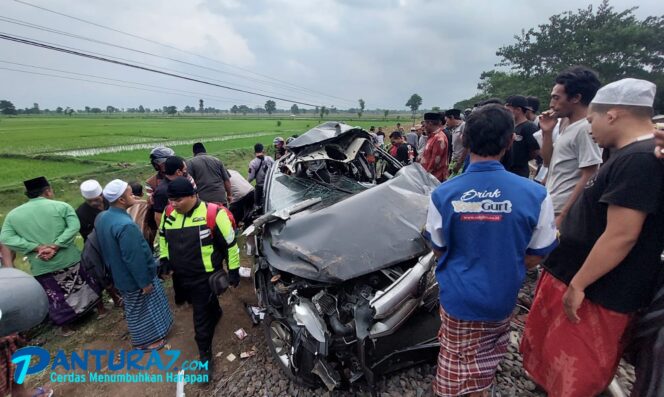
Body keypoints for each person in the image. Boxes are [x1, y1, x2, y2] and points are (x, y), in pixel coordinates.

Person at [521, 78, 664, 397]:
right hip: (576, 275)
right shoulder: (626, 154)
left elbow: (622, 234)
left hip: (598, 290)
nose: (590, 129)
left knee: (578, 374)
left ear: (612, 115)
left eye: (592, 120)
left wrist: (579, 284)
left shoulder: (639, 160)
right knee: (556, 365)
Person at [426, 104, 557, 397]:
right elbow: (538, 253)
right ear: (510, 141)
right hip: (502, 295)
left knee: (454, 363)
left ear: (466, 140)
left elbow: (438, 247)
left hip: (458, 297)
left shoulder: (443, 193)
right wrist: (503, 263)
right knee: (486, 354)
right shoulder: (536, 194)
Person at [159, 177, 241, 381]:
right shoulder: (169, 214)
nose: (173, 204)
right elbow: (162, 236)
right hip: (180, 275)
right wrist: (164, 257)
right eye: (171, 200)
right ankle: (216, 311)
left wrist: (233, 270)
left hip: (204, 277)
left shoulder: (214, 213)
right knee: (200, 305)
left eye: (178, 200)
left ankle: (205, 359)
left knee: (200, 320)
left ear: (192, 196)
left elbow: (231, 245)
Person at [0, 177, 104, 335]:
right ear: (47, 191)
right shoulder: (61, 206)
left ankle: (67, 327)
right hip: (69, 258)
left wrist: (36, 248)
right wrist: (56, 245)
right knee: (86, 285)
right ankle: (101, 310)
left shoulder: (13, 216)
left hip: (42, 265)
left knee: (56, 296)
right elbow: (74, 226)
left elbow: (6, 239)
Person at [96, 180, 173, 350]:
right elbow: (134, 257)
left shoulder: (103, 217)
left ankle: (149, 335)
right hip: (134, 276)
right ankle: (145, 341)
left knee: (137, 306)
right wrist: (144, 282)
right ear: (121, 200)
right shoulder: (126, 226)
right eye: (130, 194)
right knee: (141, 309)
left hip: (118, 272)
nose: (134, 197)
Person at [538, 67, 604, 227]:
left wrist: (564, 215)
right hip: (553, 204)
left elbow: (590, 173)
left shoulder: (585, 128)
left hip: (564, 210)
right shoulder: (564, 125)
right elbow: (547, 162)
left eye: (556, 98)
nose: (551, 104)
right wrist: (547, 133)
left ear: (576, 98)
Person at [152, 156, 196, 227]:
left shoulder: (184, 183)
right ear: (178, 172)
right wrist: (166, 233)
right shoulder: (162, 191)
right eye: (184, 170)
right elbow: (158, 217)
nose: (186, 172)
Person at [503, 95, 541, 178]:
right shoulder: (511, 126)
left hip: (519, 171)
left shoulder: (529, 127)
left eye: (508, 110)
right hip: (507, 169)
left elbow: (535, 151)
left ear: (518, 110)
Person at [187, 142, 232, 206]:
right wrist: (229, 195)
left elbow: (189, 183)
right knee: (222, 215)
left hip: (204, 201)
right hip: (220, 198)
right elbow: (226, 180)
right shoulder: (217, 160)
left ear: (194, 153)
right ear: (205, 151)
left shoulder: (190, 163)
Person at [420, 112, 449, 182]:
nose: (424, 127)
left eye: (425, 125)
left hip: (434, 178)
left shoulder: (439, 139)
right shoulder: (432, 137)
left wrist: (425, 177)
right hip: (429, 177)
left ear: (430, 123)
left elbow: (434, 162)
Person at [248, 143, 274, 210]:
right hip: (271, 185)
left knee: (258, 206)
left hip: (260, 187)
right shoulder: (270, 159)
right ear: (263, 150)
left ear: (254, 152)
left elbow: (250, 178)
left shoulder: (253, 163)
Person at [445, 109, 467, 174]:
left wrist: (459, 163)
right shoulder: (454, 129)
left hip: (461, 162)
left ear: (452, 117)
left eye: (447, 120)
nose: (446, 123)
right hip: (454, 161)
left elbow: (467, 147)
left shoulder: (464, 126)